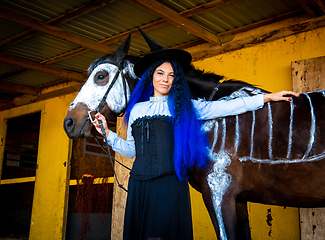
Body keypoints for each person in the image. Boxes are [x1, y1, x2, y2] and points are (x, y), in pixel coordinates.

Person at [92, 46, 299, 240]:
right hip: (140, 187)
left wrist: (267, 97)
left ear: (177, 80)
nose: (166, 79)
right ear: (151, 76)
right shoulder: (136, 110)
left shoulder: (186, 106)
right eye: (160, 73)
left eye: (171, 75)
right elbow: (130, 151)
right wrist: (107, 133)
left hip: (170, 184)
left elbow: (230, 107)